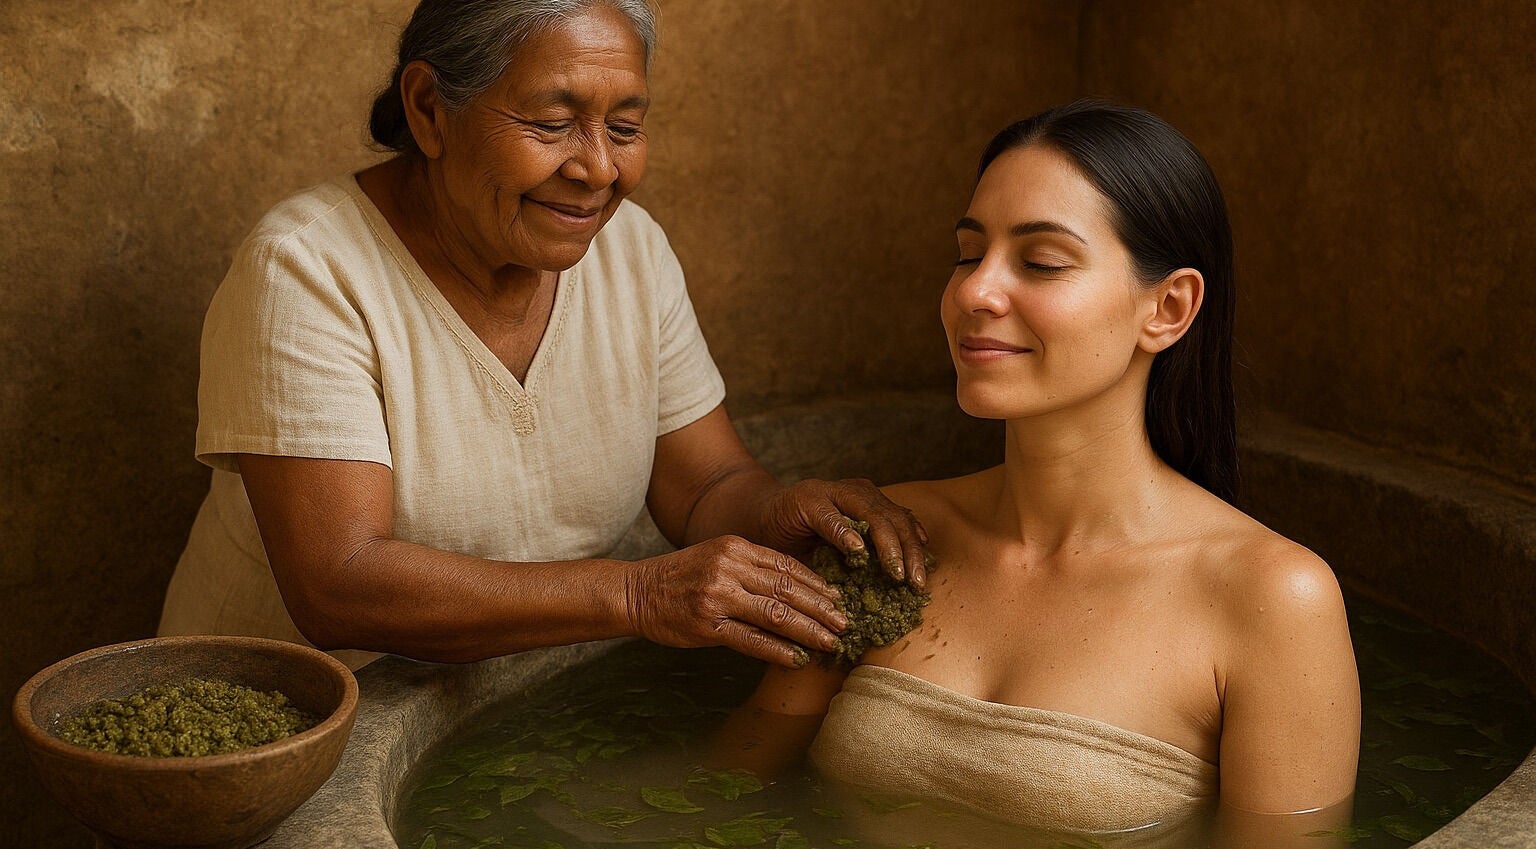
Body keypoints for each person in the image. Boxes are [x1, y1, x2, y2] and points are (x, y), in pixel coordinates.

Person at [157, 0, 928, 672]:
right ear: (429, 109)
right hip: (284, 737)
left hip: (489, 712)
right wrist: (638, 593)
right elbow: (339, 582)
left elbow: (704, 487)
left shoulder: (631, 252)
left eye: (624, 127)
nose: (598, 169)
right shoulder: (308, 269)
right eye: (552, 125)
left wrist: (779, 511)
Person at [715, 100, 1361, 847]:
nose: (974, 292)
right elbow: (723, 791)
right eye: (968, 254)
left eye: (1041, 262)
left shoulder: (1272, 599)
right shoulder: (892, 538)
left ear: (1168, 307)